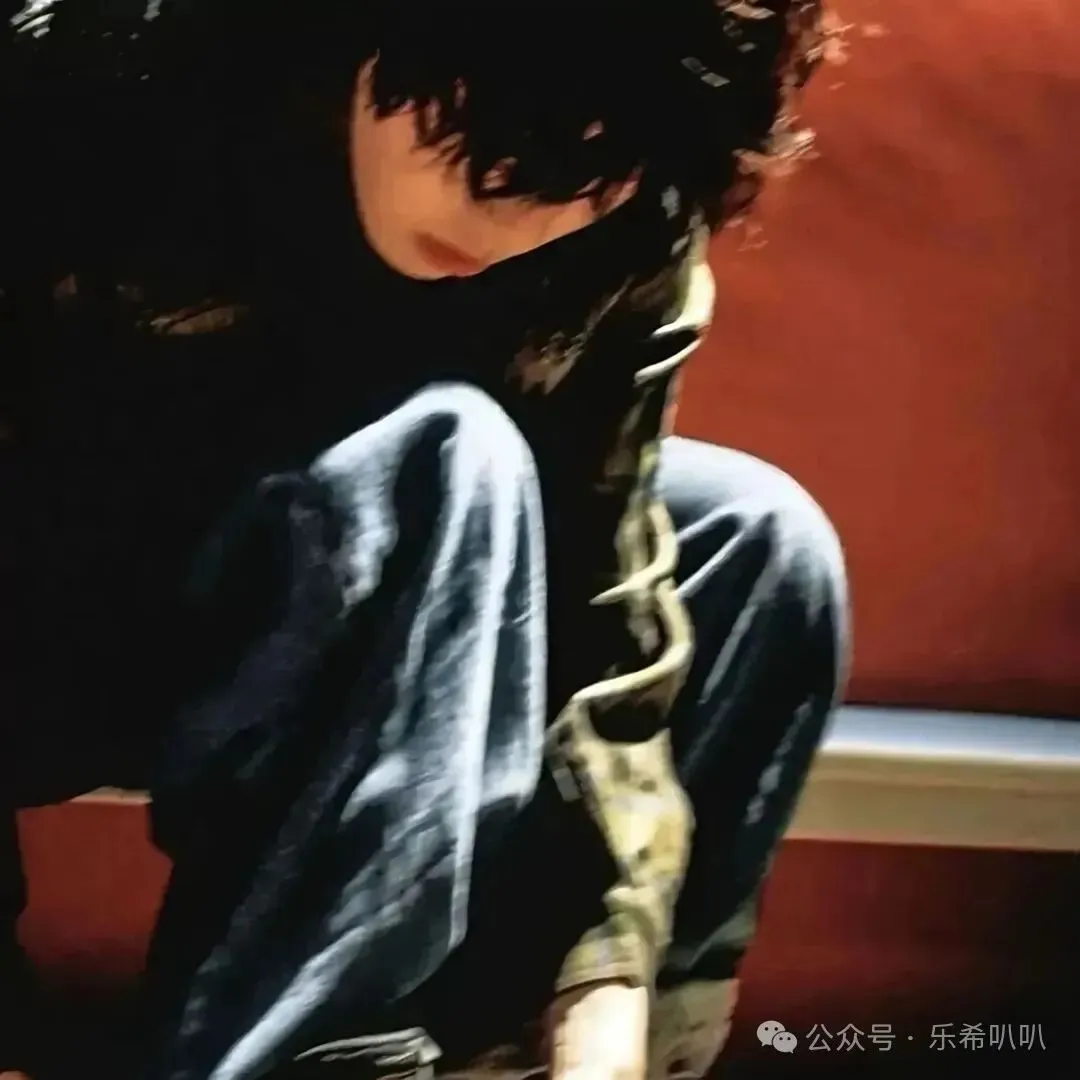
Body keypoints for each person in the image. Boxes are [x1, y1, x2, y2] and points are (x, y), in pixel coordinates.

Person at [0, 2, 848, 1079]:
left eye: (590, 175)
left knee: (750, 540)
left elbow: (603, 600)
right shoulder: (75, 84)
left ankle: (511, 1051)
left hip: (365, 632)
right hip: (52, 615)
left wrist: (606, 980)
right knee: (442, 454)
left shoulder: (630, 197)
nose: (513, 211)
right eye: (487, 131)